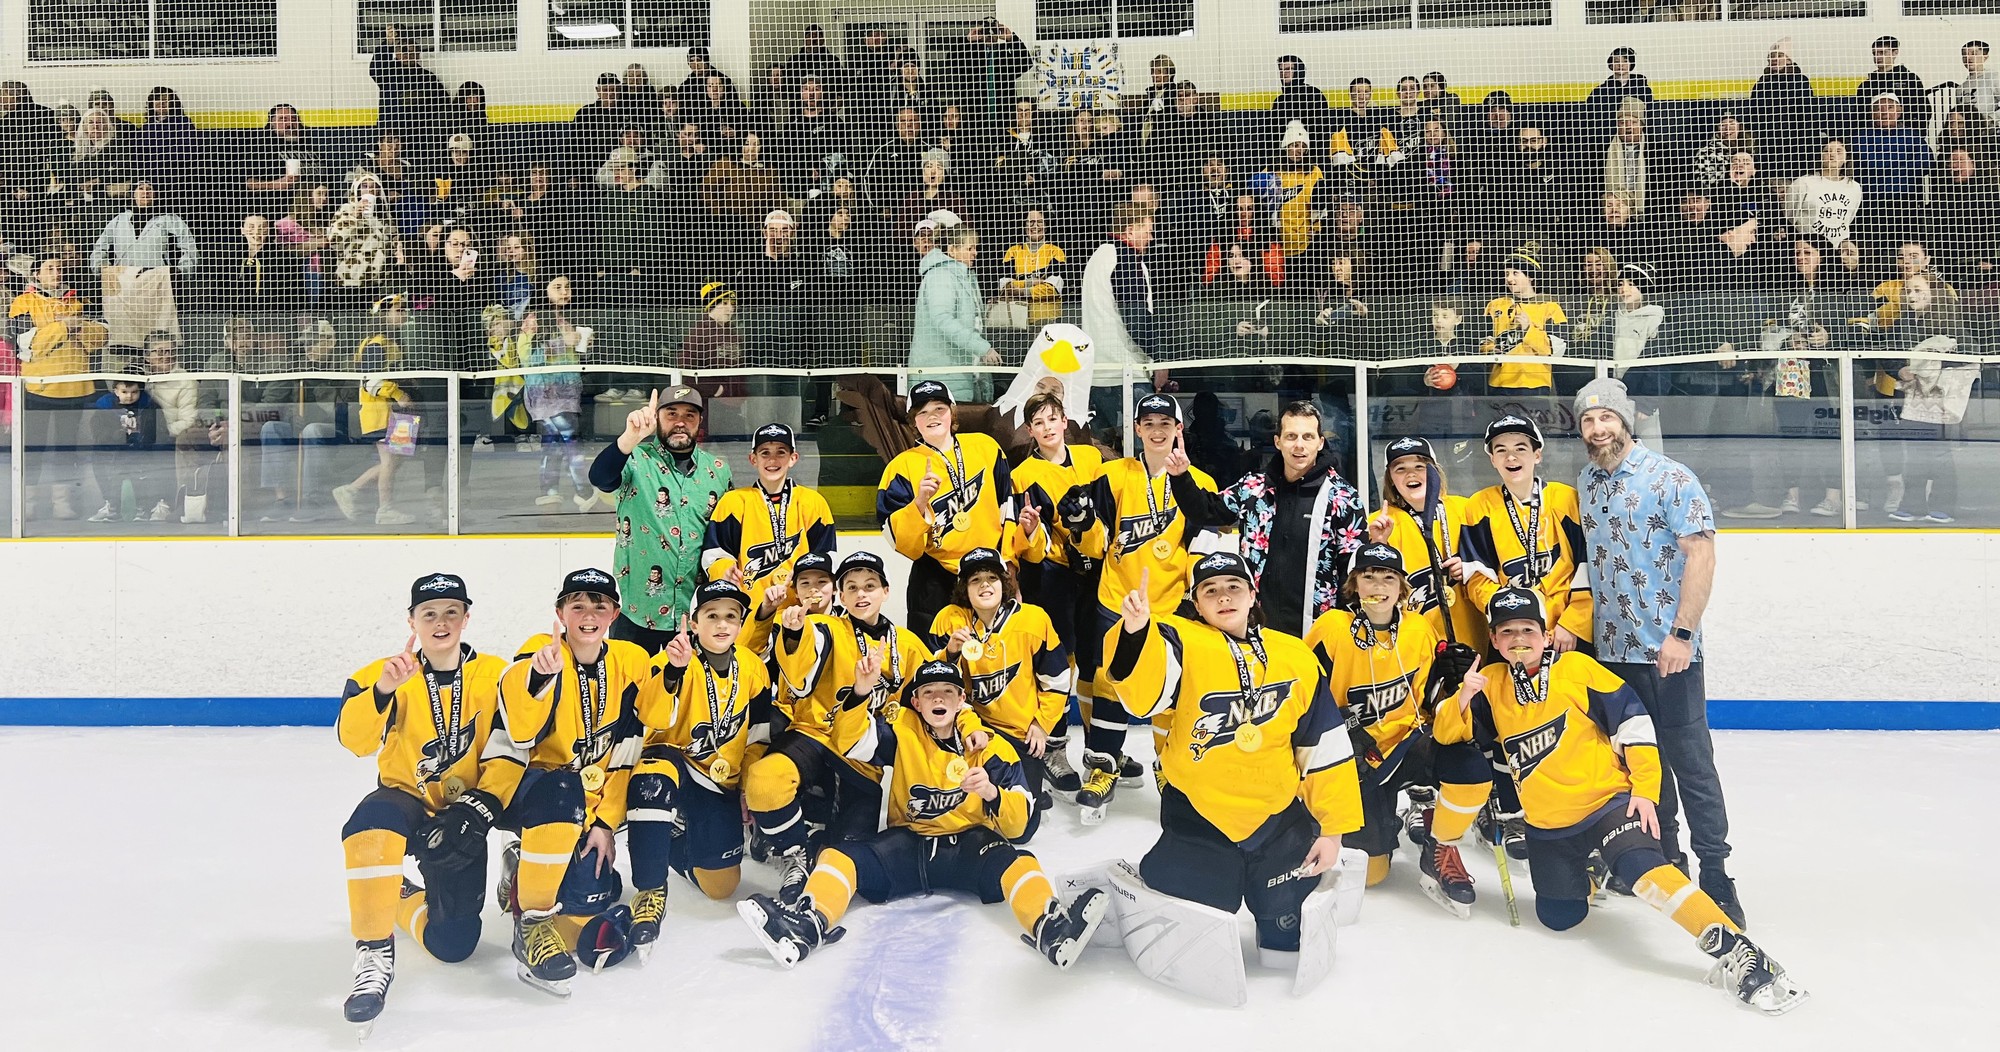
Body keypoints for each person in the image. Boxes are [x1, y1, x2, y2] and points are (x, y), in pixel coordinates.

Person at [1439, 588, 1805, 1015]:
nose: (1518, 639)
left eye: (1527, 629)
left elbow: (1634, 723)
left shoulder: (1577, 668)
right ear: (1494, 639)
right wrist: (1461, 697)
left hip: (1608, 804)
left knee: (1641, 872)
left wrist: (1646, 791)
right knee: (1559, 917)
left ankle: (1740, 951)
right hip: (1550, 824)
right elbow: (1450, 737)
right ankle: (1594, 867)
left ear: (1545, 634)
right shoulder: (1488, 686)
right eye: (1507, 632)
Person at [1101, 551, 1360, 995]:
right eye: (1210, 590)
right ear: (1196, 603)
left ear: (1252, 595)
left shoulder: (1294, 655)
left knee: (1285, 938)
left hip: (1276, 819)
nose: (1223, 597)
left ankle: (1275, 912)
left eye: (1233, 587)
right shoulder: (1180, 640)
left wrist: (1333, 831)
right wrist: (1136, 632)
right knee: (1196, 938)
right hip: (1200, 817)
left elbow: (1324, 746)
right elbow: (1143, 699)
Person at [740, 659, 1106, 970]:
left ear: (961, 700)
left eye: (947, 691)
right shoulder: (903, 731)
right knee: (839, 856)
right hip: (910, 845)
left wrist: (992, 793)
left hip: (969, 848)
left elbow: (1019, 825)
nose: (938, 698)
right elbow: (854, 744)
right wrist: (861, 693)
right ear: (915, 701)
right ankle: (806, 926)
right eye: (929, 692)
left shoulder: (990, 747)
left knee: (1020, 861)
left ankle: (1051, 929)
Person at [1572, 378, 1743, 929]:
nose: (1598, 428)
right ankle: (1667, 857)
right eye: (1587, 421)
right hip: (1613, 652)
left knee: (1691, 763)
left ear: (1626, 421)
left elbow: (1701, 556)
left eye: (1606, 417)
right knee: (1641, 761)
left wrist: (1683, 633)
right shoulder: (1586, 482)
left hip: (1670, 651)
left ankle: (1716, 872)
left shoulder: (1670, 477)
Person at [335, 573, 520, 1034]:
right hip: (406, 796)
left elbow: (513, 746)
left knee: (454, 945)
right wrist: (382, 691)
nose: (441, 623)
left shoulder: (497, 674)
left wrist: (479, 809)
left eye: (452, 612)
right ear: (412, 621)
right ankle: (373, 952)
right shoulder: (382, 673)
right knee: (369, 826)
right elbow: (354, 741)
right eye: (429, 613)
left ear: (466, 618)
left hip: (463, 811)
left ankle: (403, 897)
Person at [1066, 393, 1233, 822]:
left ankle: (1169, 767)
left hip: (1171, 606)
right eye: (1149, 423)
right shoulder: (1113, 475)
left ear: (1179, 428)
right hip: (1117, 602)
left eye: (1166, 423)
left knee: (1171, 691)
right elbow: (1093, 541)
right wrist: (1079, 521)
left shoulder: (1199, 480)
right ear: (1137, 428)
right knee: (1110, 684)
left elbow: (1204, 544)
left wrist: (1195, 598)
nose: (1157, 431)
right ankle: (1103, 766)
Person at [1303, 542, 1488, 915]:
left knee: (1469, 766)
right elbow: (1305, 698)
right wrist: (1336, 740)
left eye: (1388, 578)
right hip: (1355, 760)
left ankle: (1441, 842)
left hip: (1407, 743)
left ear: (1402, 587)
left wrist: (1453, 683)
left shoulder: (1418, 629)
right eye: (1368, 577)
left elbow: (1432, 703)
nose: (1378, 587)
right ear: (1354, 584)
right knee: (1372, 875)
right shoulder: (1331, 628)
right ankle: (1381, 820)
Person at [495, 569, 656, 995]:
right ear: (560, 613)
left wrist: (605, 824)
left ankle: (526, 867)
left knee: (591, 903)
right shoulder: (541, 651)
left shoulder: (631, 661)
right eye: (577, 605)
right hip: (541, 793)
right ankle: (530, 922)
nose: (588, 615)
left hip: (591, 802)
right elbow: (520, 732)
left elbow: (628, 748)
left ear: (615, 614)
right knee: (563, 789)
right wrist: (537, 678)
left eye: (599, 606)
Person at [753, 551, 938, 902]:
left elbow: (936, 694)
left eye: (869, 586)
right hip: (814, 734)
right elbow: (800, 670)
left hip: (860, 754)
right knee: (765, 782)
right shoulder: (827, 628)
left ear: (886, 591)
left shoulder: (908, 645)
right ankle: (792, 851)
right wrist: (793, 632)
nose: (860, 594)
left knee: (848, 851)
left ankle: (811, 835)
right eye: (851, 587)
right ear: (840, 595)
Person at [623, 579, 771, 958]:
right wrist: (673, 671)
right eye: (711, 616)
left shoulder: (752, 667)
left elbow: (758, 735)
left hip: (718, 780)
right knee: (654, 780)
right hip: (672, 764)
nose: (721, 624)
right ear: (693, 622)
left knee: (722, 886)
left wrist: (748, 787)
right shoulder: (670, 658)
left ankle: (674, 834)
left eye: (730, 617)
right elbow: (649, 718)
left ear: (740, 623)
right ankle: (649, 889)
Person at [929, 547, 1071, 831]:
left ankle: (1031, 785)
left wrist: (1041, 725)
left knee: (1022, 829)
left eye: (992, 578)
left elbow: (1057, 679)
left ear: (1004, 583)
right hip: (971, 733)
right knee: (964, 818)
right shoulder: (950, 621)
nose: (984, 585)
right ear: (964, 588)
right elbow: (934, 689)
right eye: (975, 580)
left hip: (1020, 735)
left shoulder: (1033, 619)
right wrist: (950, 653)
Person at [1010, 390, 1105, 797]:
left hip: (1096, 573)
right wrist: (1031, 531)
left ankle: (1101, 751)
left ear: (1066, 421)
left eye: (1053, 419)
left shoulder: (1091, 459)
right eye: (1039, 422)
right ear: (1030, 431)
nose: (1048, 427)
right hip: (1052, 578)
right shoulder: (1021, 475)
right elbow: (1025, 546)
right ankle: (1054, 750)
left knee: (1095, 663)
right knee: (1058, 664)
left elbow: (1108, 514)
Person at [589, 386, 734, 651]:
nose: (680, 422)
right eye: (671, 414)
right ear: (657, 417)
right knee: (632, 679)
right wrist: (629, 438)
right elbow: (600, 478)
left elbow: (725, 535)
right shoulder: (635, 459)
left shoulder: (718, 470)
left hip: (696, 613)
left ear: (700, 421)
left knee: (693, 680)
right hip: (638, 611)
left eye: (689, 415)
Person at [877, 379, 1025, 634]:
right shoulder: (900, 467)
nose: (932, 416)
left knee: (995, 650)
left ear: (952, 413)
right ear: (913, 421)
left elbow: (1008, 507)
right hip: (934, 579)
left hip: (990, 571)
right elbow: (898, 541)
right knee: (934, 655)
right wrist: (919, 502)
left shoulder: (985, 447)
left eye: (939, 409)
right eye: (922, 412)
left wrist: (1009, 563)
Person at [1210, 401, 1367, 638]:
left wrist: (1345, 627)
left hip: (1317, 629)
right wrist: (1180, 476)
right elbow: (1208, 510)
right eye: (1291, 436)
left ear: (1320, 442)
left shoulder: (1343, 497)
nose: (1299, 445)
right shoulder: (1254, 487)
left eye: (1307, 437)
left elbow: (1353, 569)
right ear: (1278, 441)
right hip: (1258, 624)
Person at [1458, 415, 1593, 651]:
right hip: (1513, 632)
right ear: (1492, 459)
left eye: (1520, 449)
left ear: (1537, 455)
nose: (1511, 457)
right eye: (1501, 450)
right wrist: (1510, 618)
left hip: (1564, 632)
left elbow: (1587, 564)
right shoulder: (1480, 506)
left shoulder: (1565, 498)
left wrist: (1573, 622)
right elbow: (1476, 576)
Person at [1368, 436, 1487, 655]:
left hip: (1473, 638)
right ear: (1390, 479)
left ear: (1434, 472)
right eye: (1400, 469)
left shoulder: (1464, 509)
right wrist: (1378, 545)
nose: (1411, 474)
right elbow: (1369, 591)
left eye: (1419, 466)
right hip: (1415, 647)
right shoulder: (1380, 523)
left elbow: (1492, 563)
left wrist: (1469, 566)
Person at [703, 422, 837, 591]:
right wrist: (724, 569)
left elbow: (827, 558)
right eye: (765, 453)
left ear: (793, 458)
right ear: (753, 459)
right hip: (749, 606)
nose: (772, 460)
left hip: (799, 605)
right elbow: (714, 554)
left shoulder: (813, 503)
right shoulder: (734, 503)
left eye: (781, 452)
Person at [331, 294, 426, 527]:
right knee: (390, 461)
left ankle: (352, 490)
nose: (404, 314)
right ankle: (385, 509)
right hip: (382, 414)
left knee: (396, 461)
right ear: (383, 315)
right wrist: (398, 393)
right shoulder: (376, 344)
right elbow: (370, 382)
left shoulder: (392, 343)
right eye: (398, 310)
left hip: (399, 415)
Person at [909, 222, 998, 403]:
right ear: (952, 249)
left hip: (958, 373)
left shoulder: (963, 276)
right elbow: (943, 320)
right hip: (941, 374)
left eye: (975, 248)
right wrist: (982, 347)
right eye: (969, 248)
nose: (975, 253)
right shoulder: (940, 276)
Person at [83, 374, 163, 523]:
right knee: (110, 473)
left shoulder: (148, 406)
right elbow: (98, 433)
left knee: (141, 475)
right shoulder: (104, 408)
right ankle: (112, 507)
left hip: (140, 450)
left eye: (134, 392)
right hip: (114, 450)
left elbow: (156, 431)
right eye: (124, 392)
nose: (129, 396)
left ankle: (143, 508)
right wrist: (116, 435)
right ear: (115, 391)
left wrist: (142, 440)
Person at [1857, 35, 1927, 129]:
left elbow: (1923, 110)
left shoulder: (1910, 79)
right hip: (1873, 134)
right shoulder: (1866, 85)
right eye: (1874, 53)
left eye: (1882, 52)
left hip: (1905, 133)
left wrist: (1915, 133)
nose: (1878, 57)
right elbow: (1861, 115)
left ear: (1895, 53)